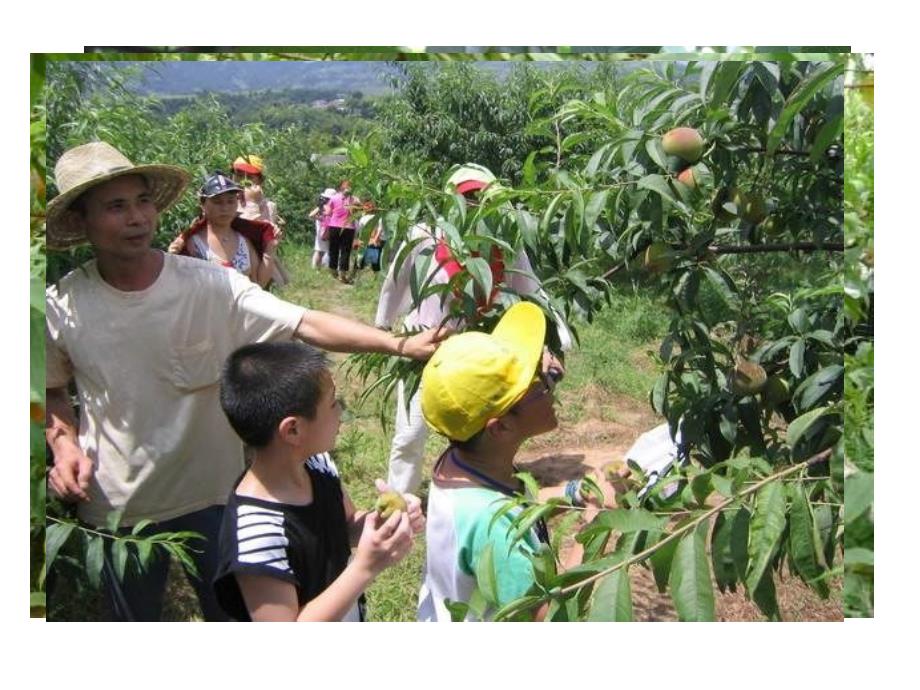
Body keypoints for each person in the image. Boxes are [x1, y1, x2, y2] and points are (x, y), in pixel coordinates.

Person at [44, 141, 446, 622]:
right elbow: (49, 388)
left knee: (233, 619)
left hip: (213, 494)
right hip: (117, 507)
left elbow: (303, 321)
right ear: (82, 220)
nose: (137, 218)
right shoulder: (62, 306)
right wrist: (63, 442)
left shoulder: (207, 285)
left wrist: (397, 344)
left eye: (143, 201)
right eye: (115, 206)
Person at [416, 302, 626, 622]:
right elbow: (551, 616)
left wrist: (575, 492)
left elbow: (514, 507)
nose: (551, 381)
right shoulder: (492, 528)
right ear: (500, 426)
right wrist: (596, 521)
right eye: (537, 384)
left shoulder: (462, 464)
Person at [375, 163, 573, 495]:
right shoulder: (424, 235)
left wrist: (557, 339)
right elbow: (395, 283)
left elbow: (530, 289)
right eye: (467, 197)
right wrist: (382, 327)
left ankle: (482, 489)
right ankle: (399, 499)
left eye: (483, 197)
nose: (475, 205)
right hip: (424, 348)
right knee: (410, 433)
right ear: (451, 199)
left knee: (480, 432)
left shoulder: (505, 242)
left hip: (475, 358)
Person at [213, 341, 425, 621]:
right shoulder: (257, 533)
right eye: (333, 403)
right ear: (293, 430)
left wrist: (381, 524)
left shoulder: (316, 464)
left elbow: (345, 524)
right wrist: (365, 567)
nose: (341, 412)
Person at [167, 171, 278, 288]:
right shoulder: (194, 244)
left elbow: (259, 284)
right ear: (202, 204)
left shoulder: (243, 241)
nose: (225, 208)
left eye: (230, 201)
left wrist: (270, 248)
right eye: (217, 202)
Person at [231, 154, 289, 287]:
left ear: (260, 181)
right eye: (239, 175)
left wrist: (252, 203)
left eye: (250, 177)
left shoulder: (268, 206)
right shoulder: (227, 203)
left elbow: (257, 234)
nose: (243, 181)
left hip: (258, 267)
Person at [324, 180, 360, 283]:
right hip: (348, 227)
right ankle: (342, 274)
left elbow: (328, 212)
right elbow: (359, 211)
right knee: (345, 251)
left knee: (334, 249)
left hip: (334, 226)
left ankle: (333, 271)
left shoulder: (334, 198)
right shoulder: (355, 199)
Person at [308, 187, 336, 270]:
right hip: (325, 230)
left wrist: (320, 218)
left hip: (322, 230)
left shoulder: (321, 206)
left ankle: (316, 268)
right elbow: (311, 215)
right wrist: (322, 219)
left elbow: (311, 215)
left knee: (319, 250)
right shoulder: (328, 206)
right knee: (321, 251)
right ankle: (316, 267)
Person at [357, 201, 385, 276]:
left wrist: (359, 240)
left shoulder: (363, 218)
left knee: (361, 257)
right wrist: (376, 239)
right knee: (375, 259)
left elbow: (360, 230)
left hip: (366, 239)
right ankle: (375, 275)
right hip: (374, 239)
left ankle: (359, 274)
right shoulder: (378, 218)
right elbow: (380, 229)